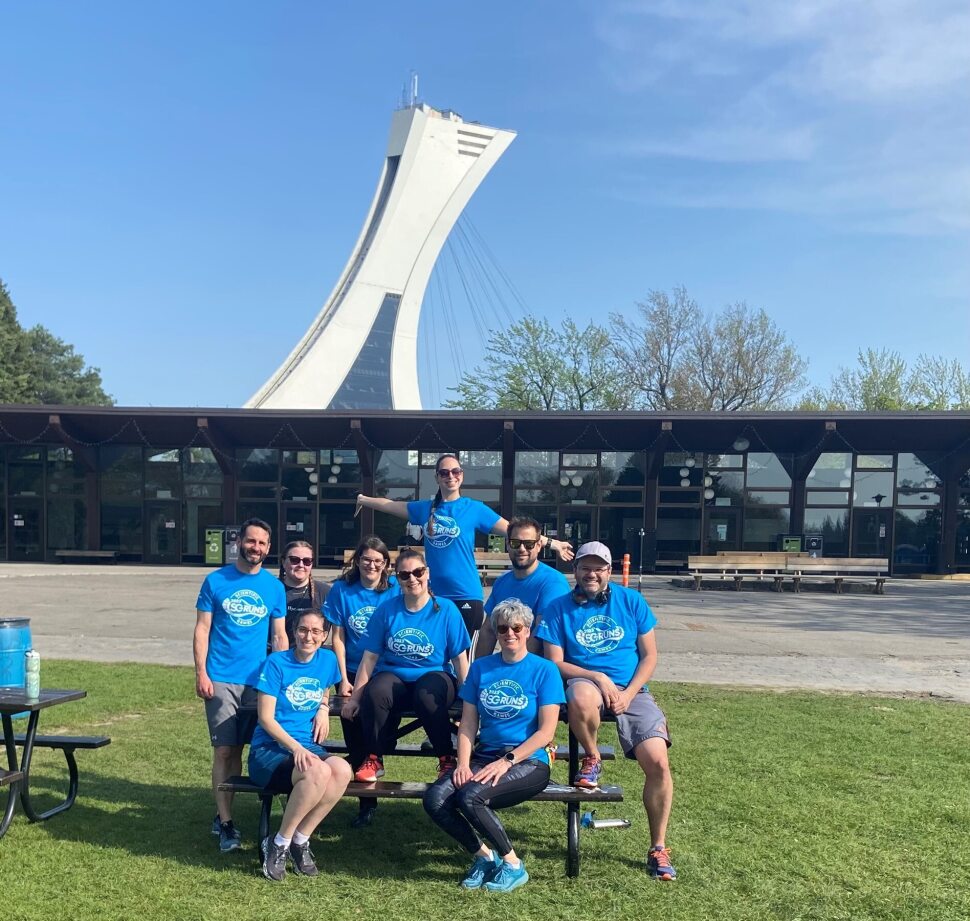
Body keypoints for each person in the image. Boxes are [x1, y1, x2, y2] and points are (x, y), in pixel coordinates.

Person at [537, 541, 677, 881]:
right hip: (584, 682)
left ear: (609, 571)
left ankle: (658, 847)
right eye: (585, 566)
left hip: (633, 691)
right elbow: (554, 662)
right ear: (576, 570)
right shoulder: (558, 608)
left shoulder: (631, 601)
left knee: (658, 761)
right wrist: (597, 676)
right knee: (582, 696)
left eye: (599, 567)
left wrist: (628, 692)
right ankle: (592, 757)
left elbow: (650, 656)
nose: (591, 573)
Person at [423, 599, 564, 893]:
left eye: (516, 627)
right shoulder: (481, 669)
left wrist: (508, 760)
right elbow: (469, 724)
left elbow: (546, 732)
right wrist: (462, 763)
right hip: (484, 755)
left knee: (470, 797)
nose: (509, 634)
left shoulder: (544, 670)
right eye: (502, 628)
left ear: (527, 631)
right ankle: (484, 857)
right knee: (435, 798)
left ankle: (513, 864)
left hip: (530, 760)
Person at [355, 454, 574, 638]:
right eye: (444, 472)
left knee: (463, 660)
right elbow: (392, 505)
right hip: (433, 596)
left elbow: (516, 531)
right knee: (437, 654)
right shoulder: (426, 509)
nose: (450, 476)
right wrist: (364, 500)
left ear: (461, 475)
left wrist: (553, 543)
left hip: (466, 595)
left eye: (455, 471)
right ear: (437, 477)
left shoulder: (474, 509)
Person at [194, 517, 287, 853]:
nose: (256, 548)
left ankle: (237, 812)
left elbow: (279, 635)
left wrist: (283, 675)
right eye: (251, 541)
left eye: (262, 543)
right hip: (220, 677)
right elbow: (203, 629)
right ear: (239, 542)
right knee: (224, 749)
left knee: (254, 748)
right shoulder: (216, 580)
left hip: (258, 681)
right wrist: (201, 673)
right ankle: (227, 823)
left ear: (268, 548)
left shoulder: (274, 587)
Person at [341, 549, 470, 783]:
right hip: (396, 678)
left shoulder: (447, 609)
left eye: (418, 572)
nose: (412, 579)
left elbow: (460, 659)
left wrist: (469, 700)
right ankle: (374, 757)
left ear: (427, 573)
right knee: (377, 689)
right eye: (404, 575)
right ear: (396, 578)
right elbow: (369, 659)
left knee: (425, 693)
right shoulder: (387, 610)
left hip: (436, 677)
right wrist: (355, 699)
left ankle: (445, 758)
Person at [249, 609, 352, 881]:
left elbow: (325, 688)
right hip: (269, 750)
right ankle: (279, 843)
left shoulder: (328, 660)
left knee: (342, 770)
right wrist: (296, 749)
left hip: (306, 746)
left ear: (325, 635)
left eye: (316, 631)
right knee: (317, 771)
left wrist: (322, 707)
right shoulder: (275, 663)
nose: (309, 636)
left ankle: (300, 840)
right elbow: (266, 719)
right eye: (303, 630)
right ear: (294, 632)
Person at [323, 535, 399, 827]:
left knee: (382, 734)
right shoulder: (343, 590)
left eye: (378, 561)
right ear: (357, 561)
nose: (371, 565)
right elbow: (338, 638)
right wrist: (343, 679)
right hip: (353, 670)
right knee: (355, 737)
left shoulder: (393, 589)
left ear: (385, 565)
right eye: (366, 559)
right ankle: (367, 802)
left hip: (387, 671)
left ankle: (375, 764)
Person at [473, 515, 570, 658]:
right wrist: (478, 670)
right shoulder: (502, 582)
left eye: (529, 544)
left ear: (538, 546)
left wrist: (513, 669)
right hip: (511, 658)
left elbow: (540, 634)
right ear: (507, 544)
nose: (522, 548)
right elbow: (488, 630)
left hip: (539, 668)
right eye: (515, 543)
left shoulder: (553, 582)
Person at [278, 539, 331, 647]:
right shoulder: (273, 589)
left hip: (311, 656)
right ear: (283, 562)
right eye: (294, 560)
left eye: (307, 561)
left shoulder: (325, 592)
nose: (301, 565)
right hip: (278, 656)